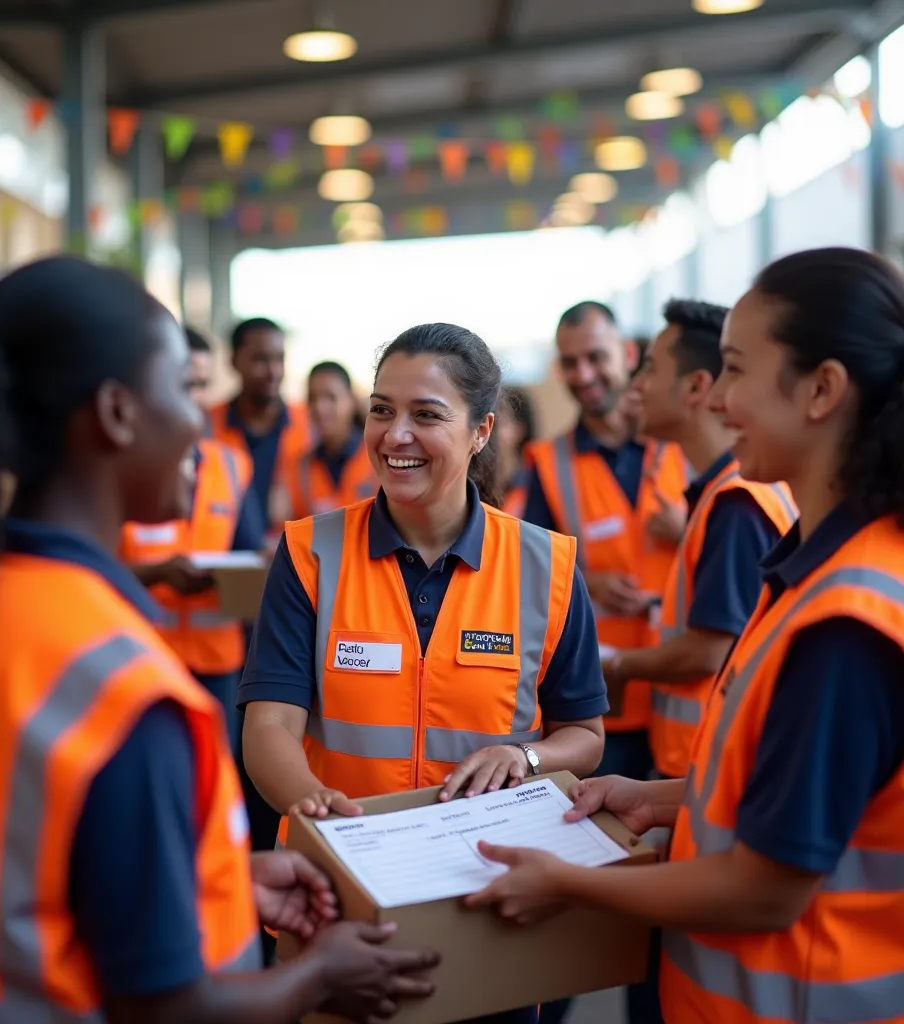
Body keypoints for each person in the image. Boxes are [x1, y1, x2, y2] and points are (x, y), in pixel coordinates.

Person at [0, 257, 439, 1024]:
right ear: (115, 413)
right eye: (183, 387)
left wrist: (215, 880)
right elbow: (168, 1009)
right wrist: (320, 975)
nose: (200, 419)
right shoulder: (121, 694)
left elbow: (16, 865)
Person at [466, 246, 904, 1024]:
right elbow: (792, 797)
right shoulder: (823, 567)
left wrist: (568, 883)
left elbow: (765, 888)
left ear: (822, 390)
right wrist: (666, 800)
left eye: (736, 371)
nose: (720, 399)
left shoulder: (847, 624)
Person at [240, 322, 610, 1024]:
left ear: (481, 432)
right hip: (339, 898)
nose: (394, 434)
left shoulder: (547, 566)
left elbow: (584, 735)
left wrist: (524, 754)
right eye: (381, 409)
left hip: (487, 902)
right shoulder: (311, 553)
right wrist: (316, 806)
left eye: (426, 415)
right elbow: (269, 726)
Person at [604, 300, 797, 782]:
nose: (637, 385)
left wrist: (618, 665)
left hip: (705, 765)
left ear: (695, 386)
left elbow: (710, 651)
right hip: (695, 767)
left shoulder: (734, 503)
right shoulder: (724, 493)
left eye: (650, 368)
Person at [523, 301, 688, 787]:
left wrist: (690, 527)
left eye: (596, 357)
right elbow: (531, 569)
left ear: (628, 353)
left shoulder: (682, 444)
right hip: (607, 701)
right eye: (570, 363)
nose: (585, 374)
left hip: (688, 687)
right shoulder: (548, 464)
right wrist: (587, 578)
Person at [120, 328, 267, 756]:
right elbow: (89, 569)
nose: (196, 399)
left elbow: (251, 553)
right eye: (185, 385)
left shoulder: (232, 465)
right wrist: (158, 573)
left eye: (202, 386)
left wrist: (260, 564)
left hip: (217, 666)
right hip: (139, 659)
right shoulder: (124, 465)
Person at [206, 317, 313, 535]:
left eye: (279, 359)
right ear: (234, 361)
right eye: (260, 360)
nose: (273, 371)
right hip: (222, 560)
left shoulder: (309, 424)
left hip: (294, 556)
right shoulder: (207, 425)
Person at [285, 360, 378, 520]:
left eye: (331, 397)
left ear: (350, 400)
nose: (320, 407)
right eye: (312, 398)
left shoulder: (378, 460)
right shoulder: (301, 467)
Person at [496, 385, 536, 517]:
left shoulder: (535, 485)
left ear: (520, 429)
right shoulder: (470, 488)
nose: (486, 431)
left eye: (496, 424)